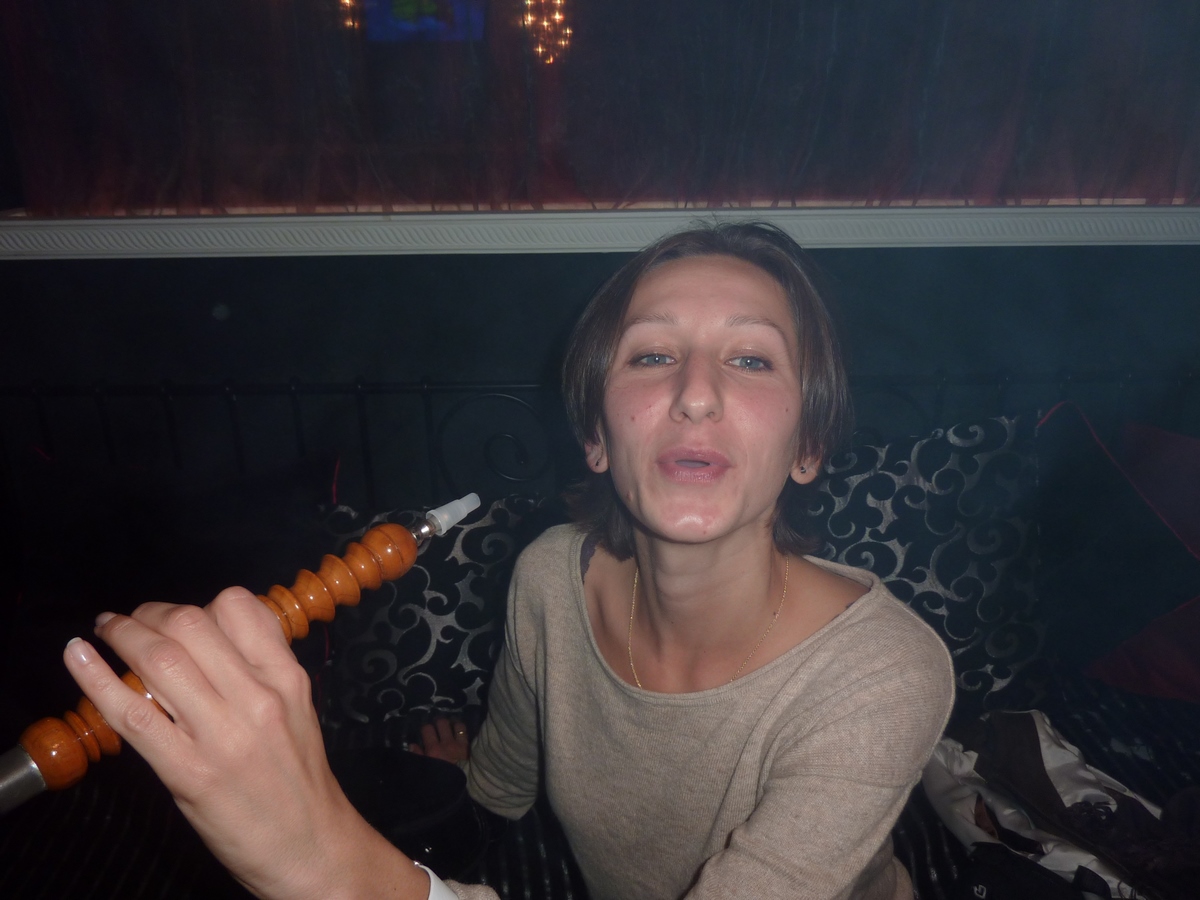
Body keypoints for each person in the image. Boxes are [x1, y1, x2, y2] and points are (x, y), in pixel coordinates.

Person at [64, 222, 955, 900]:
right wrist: (468, 787)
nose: (695, 393)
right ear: (596, 438)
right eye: (652, 355)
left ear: (809, 446)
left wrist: (320, 856)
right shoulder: (549, 578)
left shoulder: (883, 676)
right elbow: (508, 777)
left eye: (752, 359)